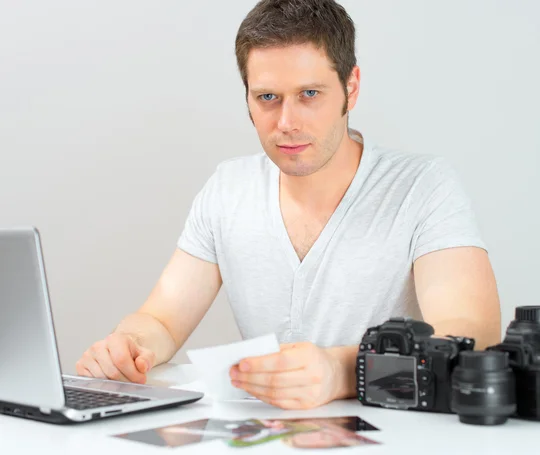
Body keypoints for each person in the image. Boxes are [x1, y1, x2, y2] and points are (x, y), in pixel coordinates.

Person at [76, 0, 502, 410]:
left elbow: (470, 337)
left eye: (310, 93)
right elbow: (162, 321)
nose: (286, 123)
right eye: (267, 98)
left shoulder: (422, 187)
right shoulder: (228, 189)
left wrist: (341, 373)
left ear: (350, 89)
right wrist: (128, 346)